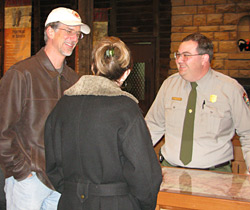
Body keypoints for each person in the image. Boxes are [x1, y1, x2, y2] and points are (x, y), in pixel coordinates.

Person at [44, 36, 162, 210]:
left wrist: (75, 189)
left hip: (71, 202)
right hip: (115, 203)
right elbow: (145, 173)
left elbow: (52, 163)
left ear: (93, 67)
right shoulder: (126, 109)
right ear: (126, 73)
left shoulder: (63, 105)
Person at [0, 7, 90, 210]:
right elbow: (3, 130)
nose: (74, 38)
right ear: (50, 31)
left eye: (77, 34)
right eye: (68, 31)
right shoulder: (21, 74)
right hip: (28, 181)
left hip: (61, 181)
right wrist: (22, 172)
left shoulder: (74, 80)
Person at [145, 32, 250, 173]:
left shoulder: (230, 89)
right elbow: (153, 126)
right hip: (170, 171)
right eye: (178, 55)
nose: (179, 60)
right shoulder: (169, 85)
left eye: (186, 55)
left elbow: (247, 133)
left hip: (215, 175)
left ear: (204, 59)